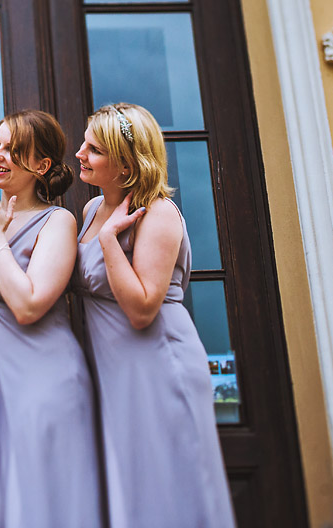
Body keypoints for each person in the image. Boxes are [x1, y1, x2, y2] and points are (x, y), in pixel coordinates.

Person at [75, 103, 235, 528]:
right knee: (134, 489)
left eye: (93, 149)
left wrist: (110, 241)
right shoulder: (92, 211)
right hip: (115, 369)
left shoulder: (158, 214)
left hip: (159, 362)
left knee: (172, 488)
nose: (79, 153)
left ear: (126, 164)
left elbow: (143, 307)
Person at [0, 110, 101, 527]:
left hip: (42, 383)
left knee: (44, 506)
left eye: (12, 149)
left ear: (41, 166)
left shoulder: (57, 221)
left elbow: (28, 305)